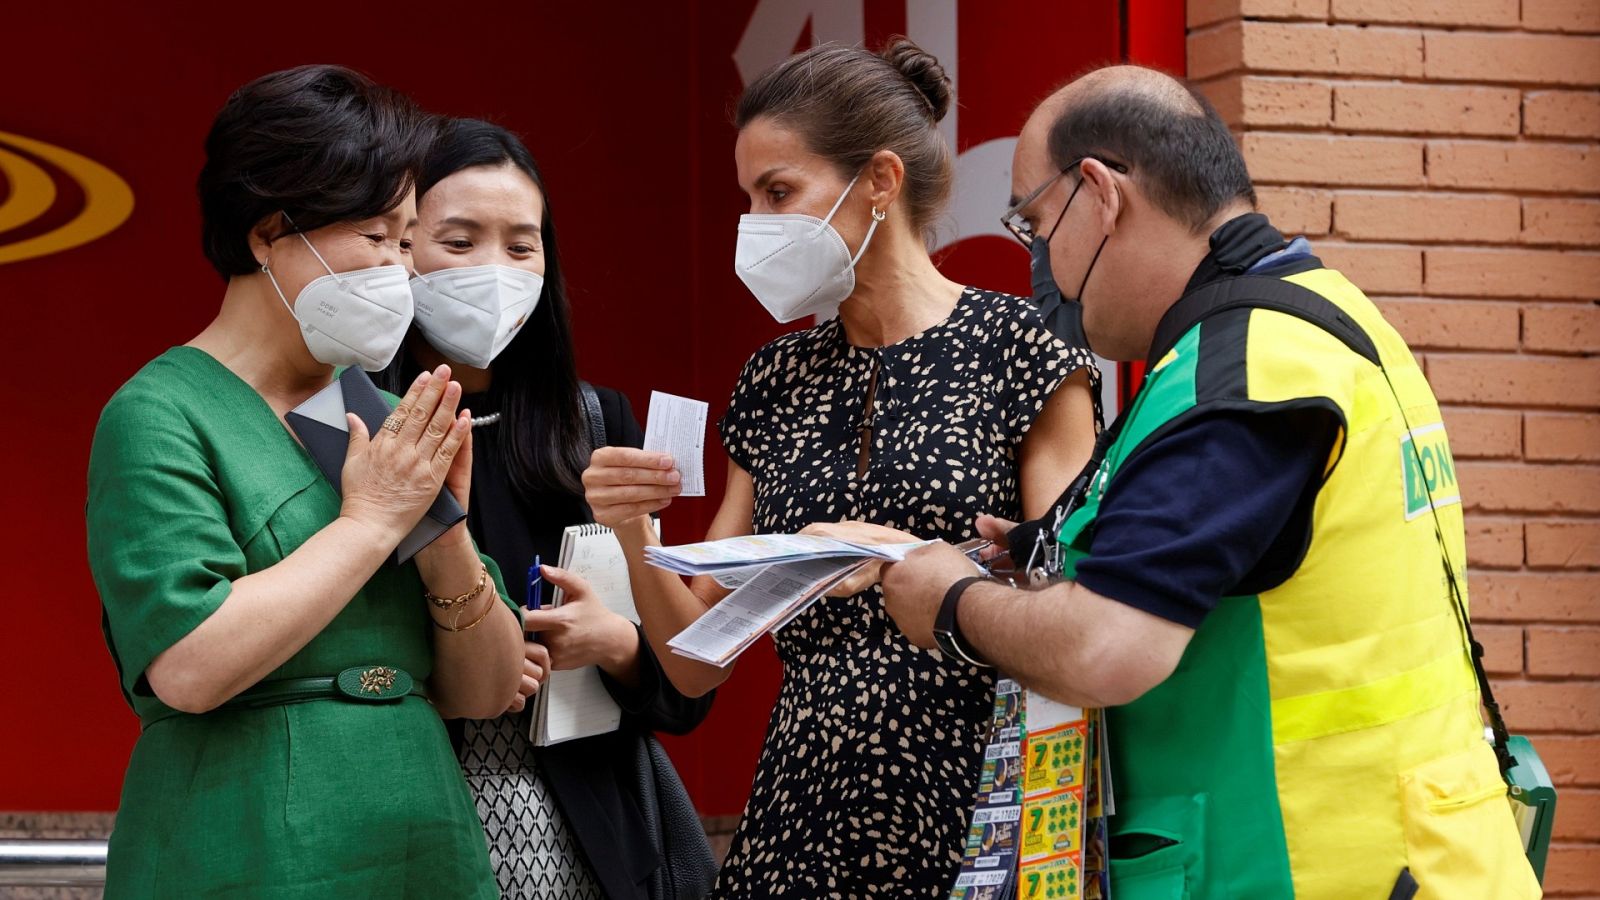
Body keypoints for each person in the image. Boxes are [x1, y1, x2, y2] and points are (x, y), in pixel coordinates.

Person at [879, 65, 1541, 899]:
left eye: (1036, 224)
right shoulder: (1319, 319)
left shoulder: (1239, 371)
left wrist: (951, 602)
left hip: (1300, 866)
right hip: (1417, 855)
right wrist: (1052, 552)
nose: (1038, 259)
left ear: (1100, 193)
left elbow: (1109, 647)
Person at [582, 40, 1101, 898]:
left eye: (778, 192)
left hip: (976, 808)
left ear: (880, 182)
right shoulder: (775, 378)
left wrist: (906, 558)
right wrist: (635, 528)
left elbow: (1078, 604)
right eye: (748, 197)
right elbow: (693, 663)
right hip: (800, 817)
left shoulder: (1023, 349)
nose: (754, 222)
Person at [86, 66, 523, 897]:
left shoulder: (384, 412)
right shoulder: (159, 412)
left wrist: (444, 536)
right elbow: (189, 665)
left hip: (421, 830)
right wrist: (370, 523)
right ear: (268, 232)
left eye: (406, 242)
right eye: (374, 236)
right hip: (242, 836)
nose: (400, 270)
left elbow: (489, 689)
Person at [385, 117, 715, 900]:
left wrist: (618, 645)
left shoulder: (597, 427)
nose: (493, 271)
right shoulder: (357, 427)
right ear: (398, 247)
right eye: (458, 242)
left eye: (521, 245)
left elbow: (684, 689)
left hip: (585, 834)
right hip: (404, 817)